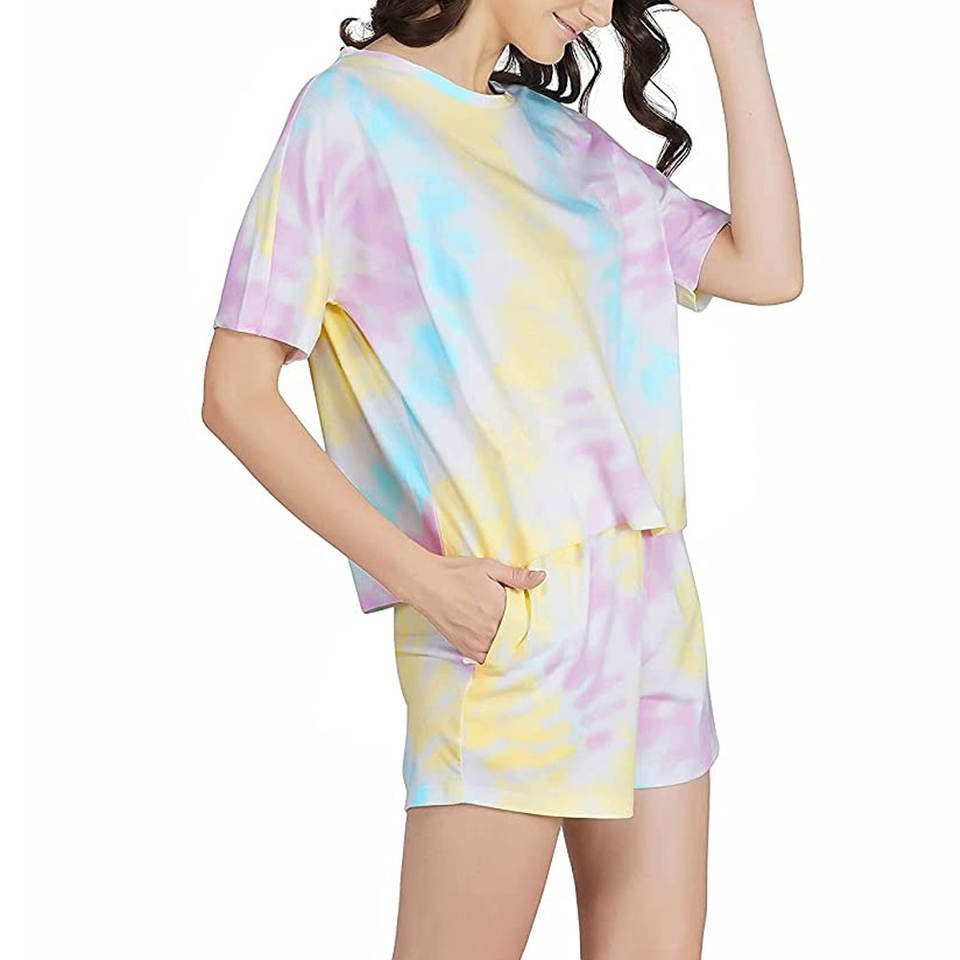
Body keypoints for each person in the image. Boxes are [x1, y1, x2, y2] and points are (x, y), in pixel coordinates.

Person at [201, 1, 802, 957]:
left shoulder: (566, 141)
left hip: (653, 620)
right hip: (503, 631)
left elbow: (768, 269)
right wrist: (426, 581)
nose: (600, 12)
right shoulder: (349, 118)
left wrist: (735, 29)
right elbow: (235, 393)